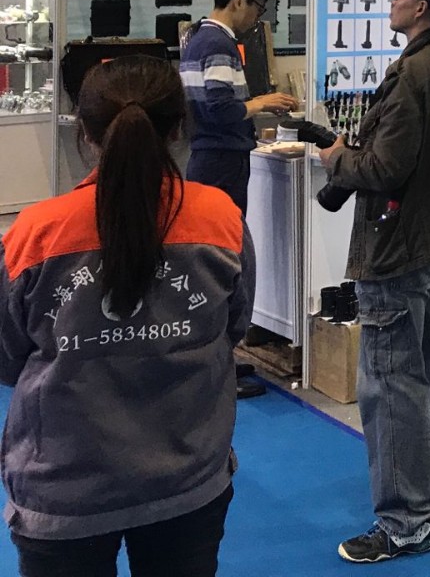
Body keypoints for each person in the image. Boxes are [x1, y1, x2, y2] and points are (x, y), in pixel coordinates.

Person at [0, 55, 254, 577]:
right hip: (186, 479)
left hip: (65, 489)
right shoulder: (220, 219)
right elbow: (233, 328)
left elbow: (7, 356)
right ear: (179, 127)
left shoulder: (35, 233)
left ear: (85, 131)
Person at [318, 0, 430, 564]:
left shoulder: (412, 73)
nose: (392, 1)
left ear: (421, 9)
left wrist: (338, 159)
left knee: (391, 381)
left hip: (396, 248)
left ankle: (407, 521)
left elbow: (384, 167)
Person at [181, 0, 299, 218]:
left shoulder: (199, 39)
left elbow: (215, 101)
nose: (257, 18)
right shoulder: (218, 44)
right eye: (259, 9)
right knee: (227, 233)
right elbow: (221, 109)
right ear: (239, 2)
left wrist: (260, 101)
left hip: (208, 159)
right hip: (222, 161)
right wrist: (260, 104)